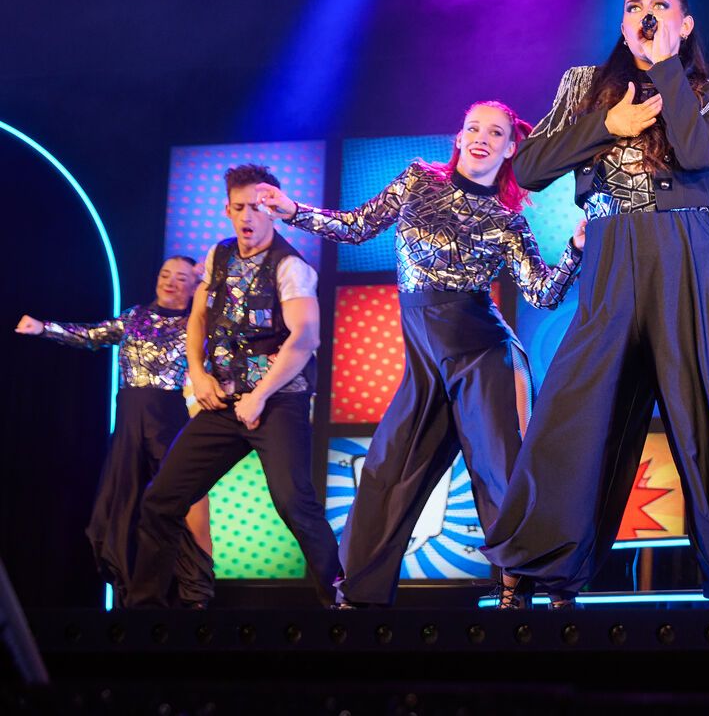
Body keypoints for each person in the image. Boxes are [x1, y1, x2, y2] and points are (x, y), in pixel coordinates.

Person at [484, 0, 709, 609]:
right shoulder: (585, 87)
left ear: (685, 25)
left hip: (687, 252)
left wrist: (667, 74)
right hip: (610, 254)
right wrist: (608, 122)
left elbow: (699, 152)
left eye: (660, 6)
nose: (645, 14)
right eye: (634, 7)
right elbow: (529, 168)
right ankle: (542, 566)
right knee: (576, 408)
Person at [255, 100, 585, 608]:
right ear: (458, 136)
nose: (481, 136)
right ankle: (360, 597)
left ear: (510, 147)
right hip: (426, 362)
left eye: (495, 132)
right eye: (473, 127)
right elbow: (355, 226)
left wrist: (576, 249)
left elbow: (542, 293)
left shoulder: (508, 220)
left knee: (500, 473)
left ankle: (523, 589)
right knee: (387, 470)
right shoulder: (419, 180)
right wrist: (294, 211)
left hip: (482, 355)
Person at [126, 164, 340, 608]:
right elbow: (199, 316)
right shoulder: (219, 255)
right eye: (240, 207)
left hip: (279, 399)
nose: (248, 216)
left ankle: (340, 600)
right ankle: (143, 612)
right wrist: (199, 373)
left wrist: (260, 396)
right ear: (227, 209)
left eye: (259, 207)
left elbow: (305, 339)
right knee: (161, 500)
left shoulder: (291, 267)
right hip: (224, 401)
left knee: (293, 503)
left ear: (274, 212)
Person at [16, 258, 212, 607]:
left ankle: (194, 594)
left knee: (176, 505)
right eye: (165, 274)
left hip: (167, 420)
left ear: (193, 286)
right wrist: (43, 328)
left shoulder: (196, 324)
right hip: (129, 423)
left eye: (181, 278)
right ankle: (134, 596)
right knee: (121, 508)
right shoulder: (134, 317)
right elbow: (93, 335)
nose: (170, 282)